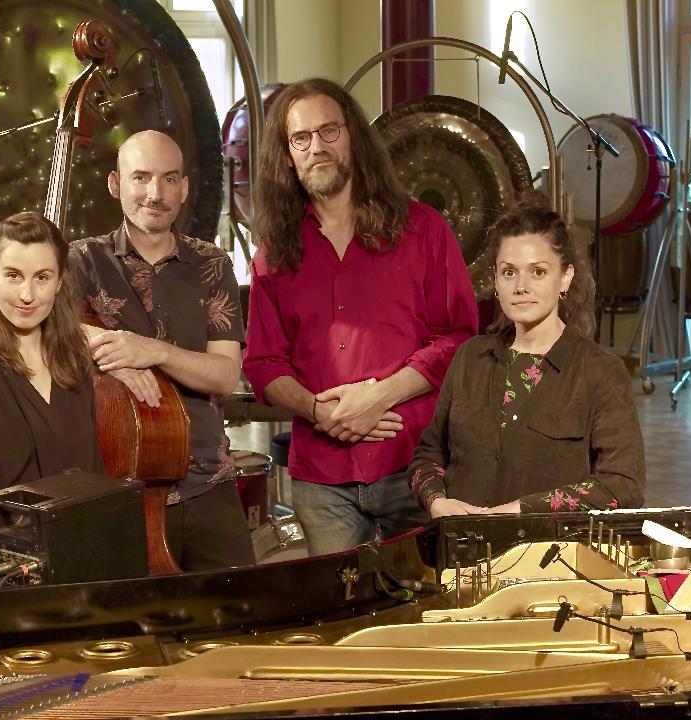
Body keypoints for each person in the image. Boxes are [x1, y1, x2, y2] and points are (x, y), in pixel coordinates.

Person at [242, 77, 479, 556]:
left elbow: (459, 336)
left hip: (415, 464)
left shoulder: (423, 230)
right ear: (286, 156)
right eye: (300, 138)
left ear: (353, 137)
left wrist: (378, 397)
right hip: (321, 479)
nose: (316, 147)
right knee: (337, 601)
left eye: (329, 131)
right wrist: (320, 411)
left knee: (429, 598)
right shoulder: (273, 256)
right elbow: (263, 364)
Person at [70, 130, 255, 570]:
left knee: (241, 608)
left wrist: (153, 351)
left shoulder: (212, 263)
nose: (155, 193)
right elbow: (43, 330)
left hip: (208, 480)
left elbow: (224, 375)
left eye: (169, 179)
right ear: (116, 183)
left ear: (184, 188)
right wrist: (108, 354)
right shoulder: (83, 260)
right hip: (120, 485)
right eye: (141, 177)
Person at [408, 194, 646, 516]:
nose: (521, 286)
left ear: (565, 277)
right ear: (495, 280)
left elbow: (622, 486)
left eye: (538, 272)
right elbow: (428, 456)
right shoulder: (469, 359)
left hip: (548, 546)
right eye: (509, 272)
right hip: (460, 544)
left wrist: (519, 510)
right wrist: (437, 502)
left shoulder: (600, 372)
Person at [0, 211, 102, 591]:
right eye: (13, 276)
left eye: (41, 277)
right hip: (8, 589)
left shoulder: (73, 362)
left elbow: (93, 483)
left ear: (60, 282)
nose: (27, 295)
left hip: (80, 576)